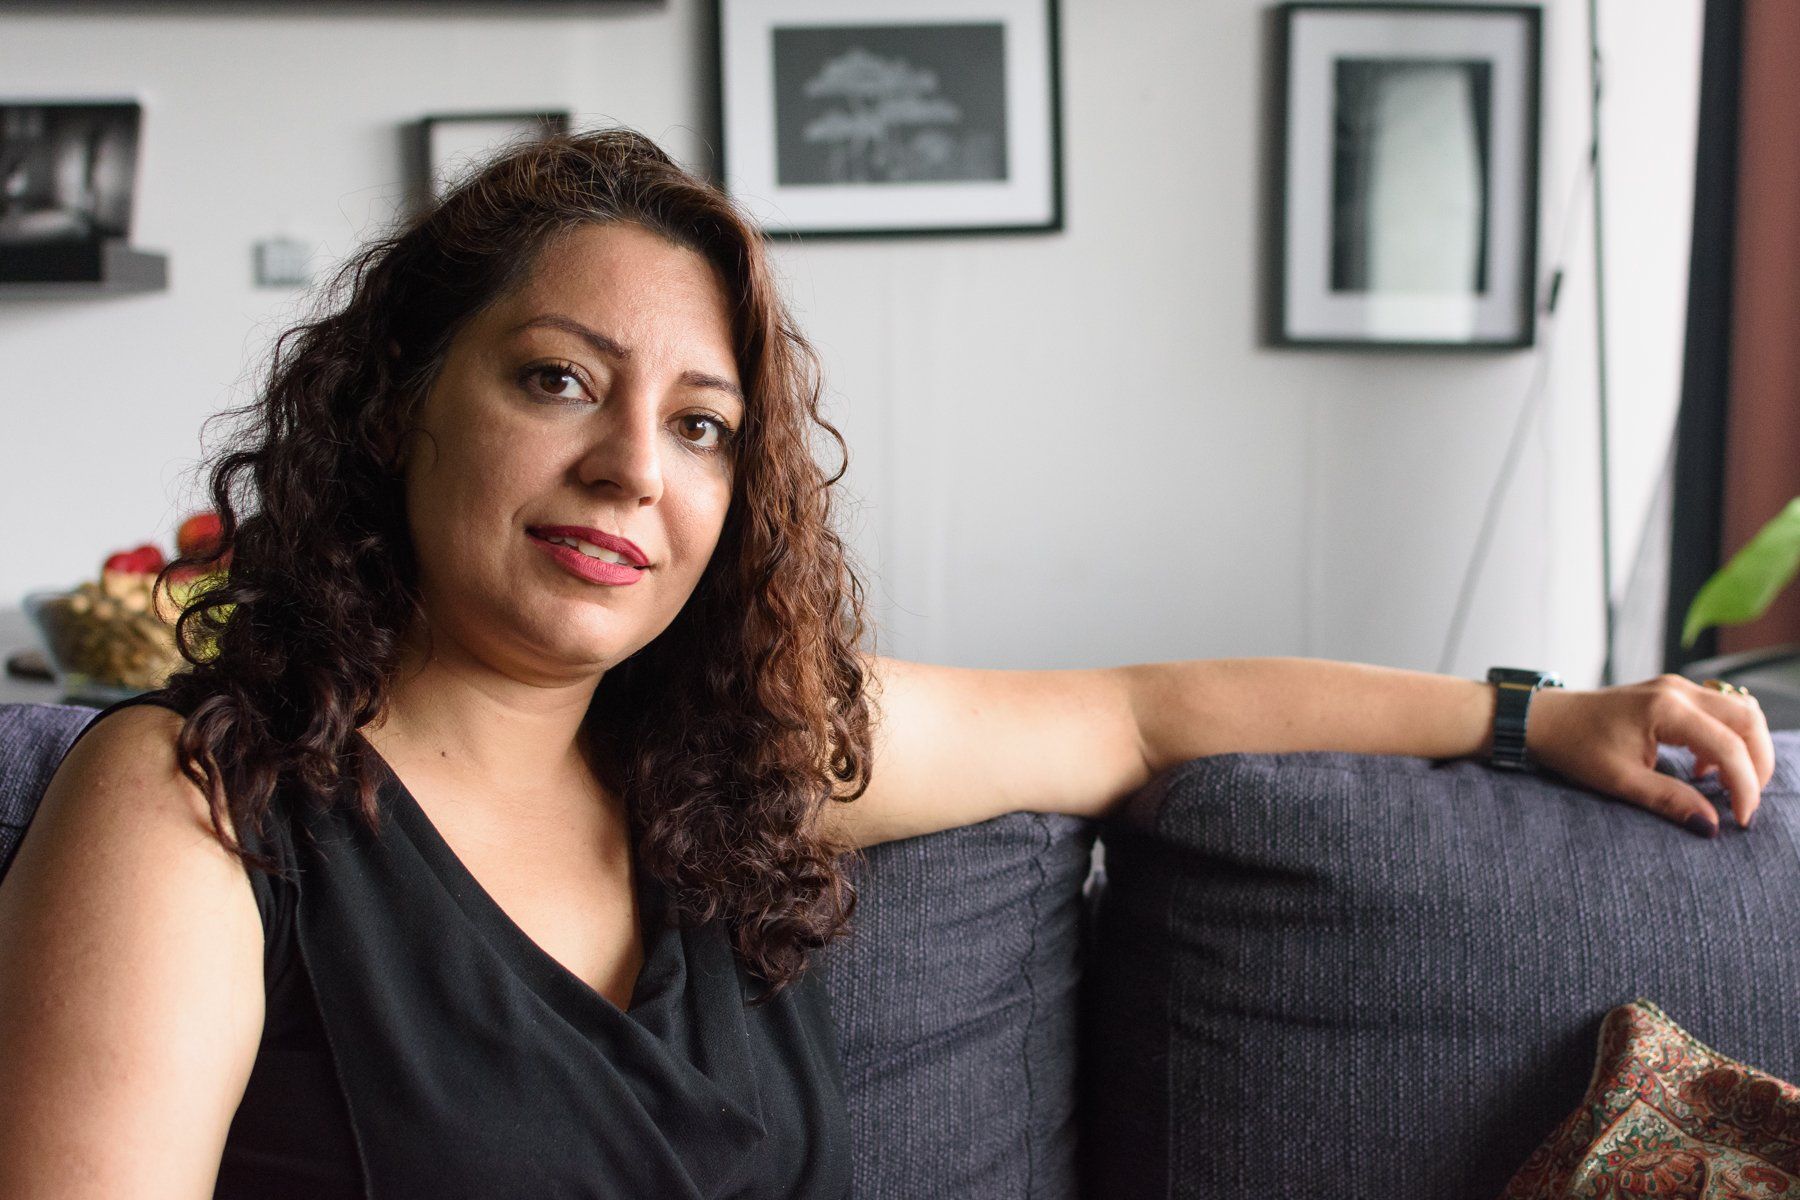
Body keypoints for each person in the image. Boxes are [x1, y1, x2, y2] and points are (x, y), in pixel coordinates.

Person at [0, 129, 1775, 1199]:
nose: (632, 468)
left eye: (702, 426)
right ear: (401, 403)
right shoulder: (195, 810)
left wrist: (1538, 714)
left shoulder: (725, 772)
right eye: (557, 380)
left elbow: (1140, 715)